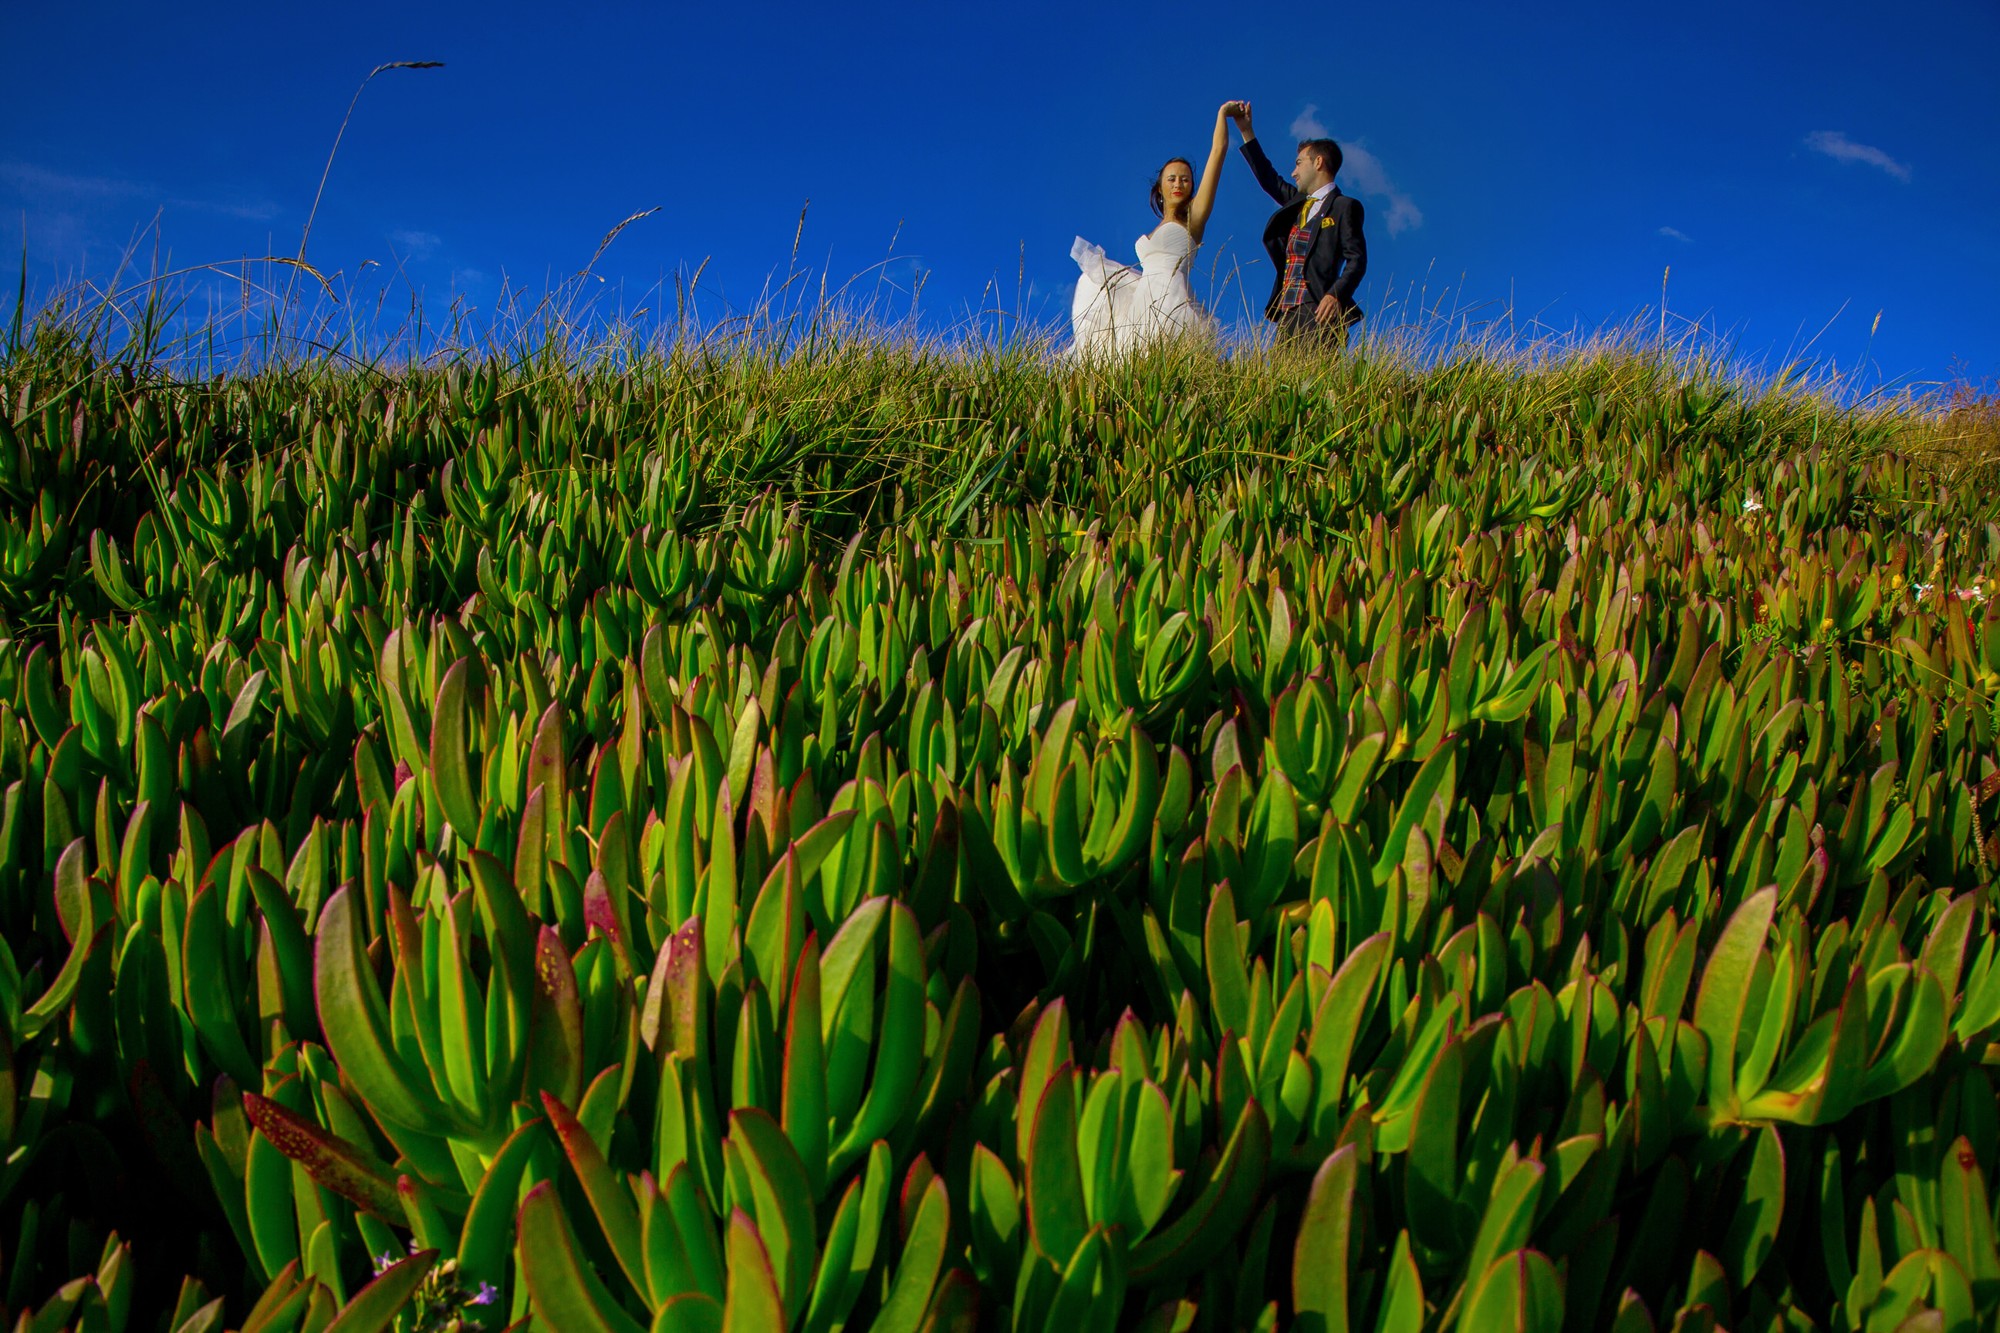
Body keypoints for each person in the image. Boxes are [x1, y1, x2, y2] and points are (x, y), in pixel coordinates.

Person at [1068, 103, 1235, 359]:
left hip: (1172, 302)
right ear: (1160, 188)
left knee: (1164, 362)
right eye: (1172, 179)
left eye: (1185, 179)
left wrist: (1222, 114)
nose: (1178, 184)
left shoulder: (1193, 219)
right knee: (1092, 282)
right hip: (1142, 302)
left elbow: (1218, 151)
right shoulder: (1156, 227)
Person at [1226, 101, 1367, 347]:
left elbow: (1357, 259)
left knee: (1317, 372)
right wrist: (1247, 131)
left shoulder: (1344, 206)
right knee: (1280, 373)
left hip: (1319, 311)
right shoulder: (1297, 204)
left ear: (1318, 162)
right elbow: (1269, 179)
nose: (1293, 172)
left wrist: (1336, 295)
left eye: (1299, 163)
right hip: (1286, 313)